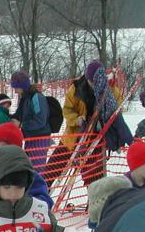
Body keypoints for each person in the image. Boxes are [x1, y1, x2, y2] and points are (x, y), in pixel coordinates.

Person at [46, 60, 117, 188]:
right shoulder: (76, 88)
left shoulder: (109, 88)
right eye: (91, 81)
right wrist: (76, 119)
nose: (93, 85)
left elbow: (118, 108)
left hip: (95, 143)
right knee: (50, 171)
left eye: (96, 82)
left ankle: (95, 206)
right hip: (72, 138)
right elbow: (67, 109)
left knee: (94, 181)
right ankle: (39, 197)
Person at [10, 72, 52, 174]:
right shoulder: (25, 97)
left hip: (40, 139)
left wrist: (21, 125)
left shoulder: (36, 97)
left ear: (23, 86)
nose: (15, 91)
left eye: (16, 87)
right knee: (29, 170)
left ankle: (41, 190)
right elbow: (19, 115)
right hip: (30, 139)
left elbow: (40, 120)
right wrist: (6, 115)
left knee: (37, 172)